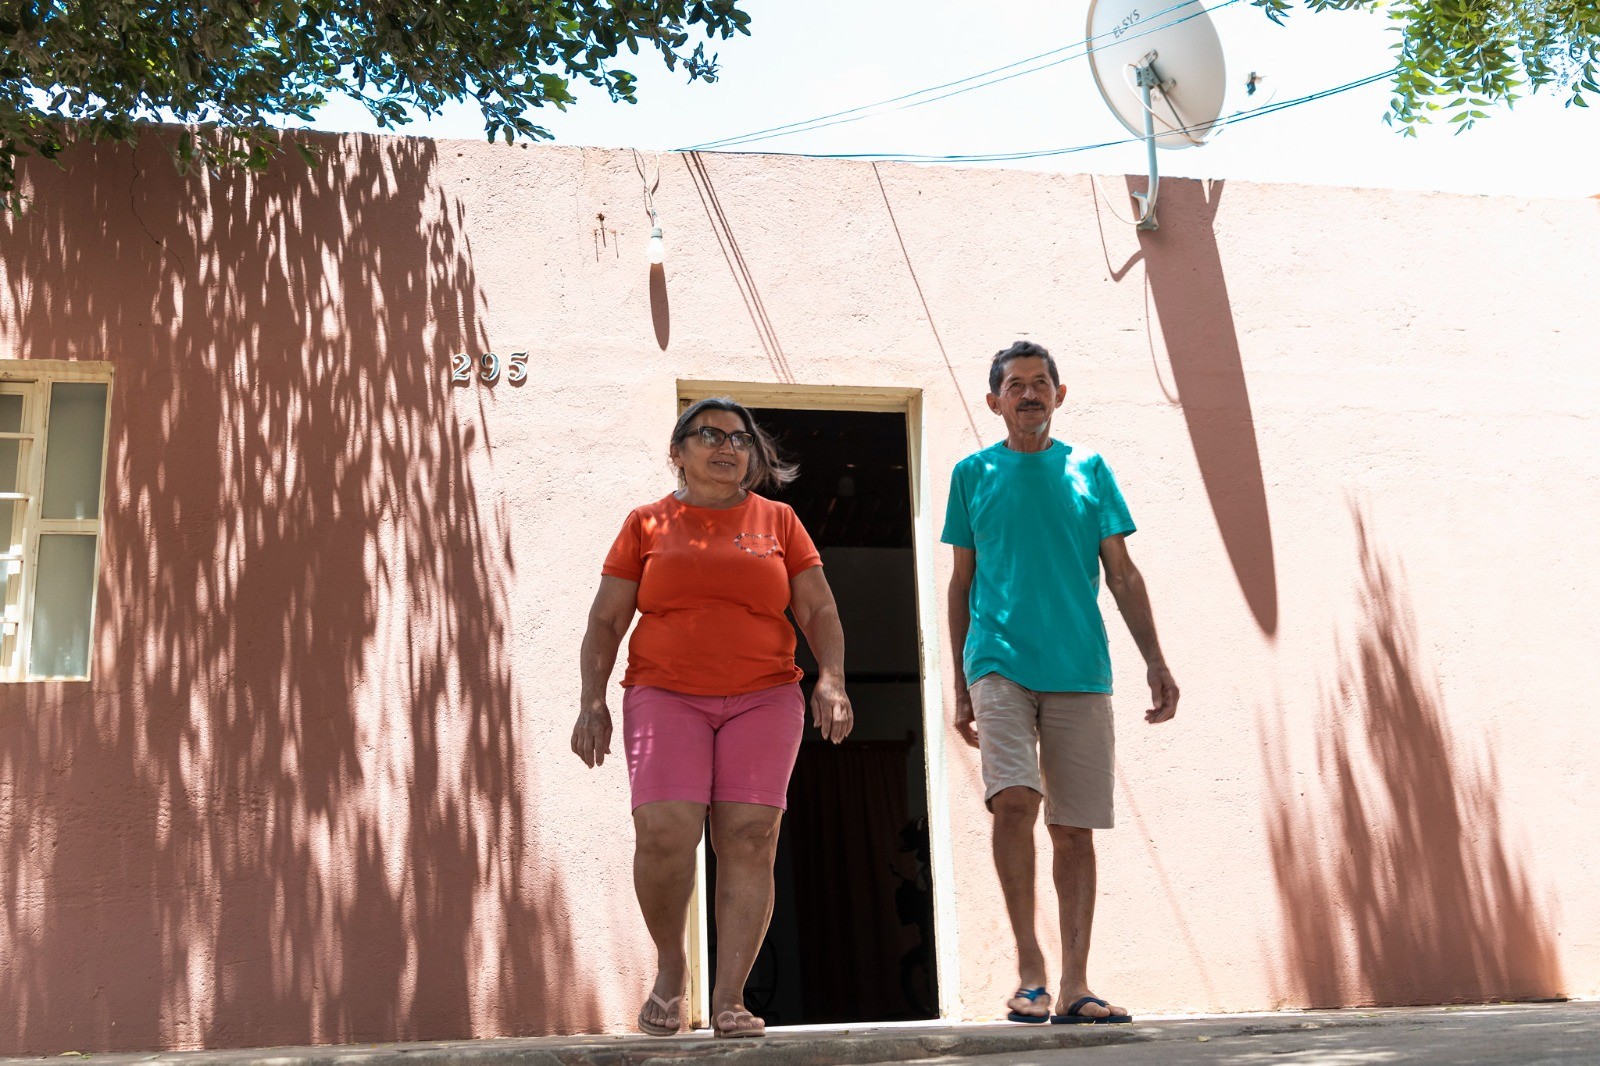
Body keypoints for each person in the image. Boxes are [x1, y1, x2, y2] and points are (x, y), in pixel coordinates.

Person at [572, 397, 854, 1040]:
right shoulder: (646, 524)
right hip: (665, 694)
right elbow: (606, 620)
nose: (728, 447)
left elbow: (819, 610)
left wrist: (832, 678)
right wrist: (592, 700)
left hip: (764, 695)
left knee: (750, 837)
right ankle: (672, 967)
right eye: (709, 434)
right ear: (678, 451)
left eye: (740, 438)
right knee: (664, 831)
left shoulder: (779, 521)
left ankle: (729, 996)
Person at [942, 340, 1179, 1026]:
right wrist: (961, 683)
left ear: (1059, 394)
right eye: (1015, 385)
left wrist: (1155, 660)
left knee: (1074, 828)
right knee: (1014, 802)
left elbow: (1122, 574)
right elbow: (961, 584)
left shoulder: (1089, 470)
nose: (1029, 393)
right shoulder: (971, 474)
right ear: (995, 402)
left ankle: (1076, 984)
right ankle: (1031, 972)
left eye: (1040, 382)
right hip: (998, 662)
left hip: (1080, 668)